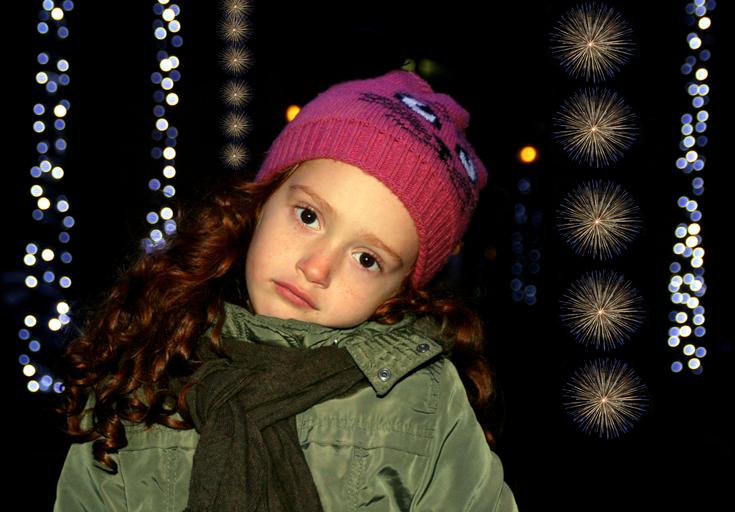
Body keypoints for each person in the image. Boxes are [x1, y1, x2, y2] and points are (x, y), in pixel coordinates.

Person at [54, 69, 520, 511]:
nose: (316, 268)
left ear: (399, 292)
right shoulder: (149, 360)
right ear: (263, 201)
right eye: (308, 216)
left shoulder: (423, 402)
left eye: (366, 259)